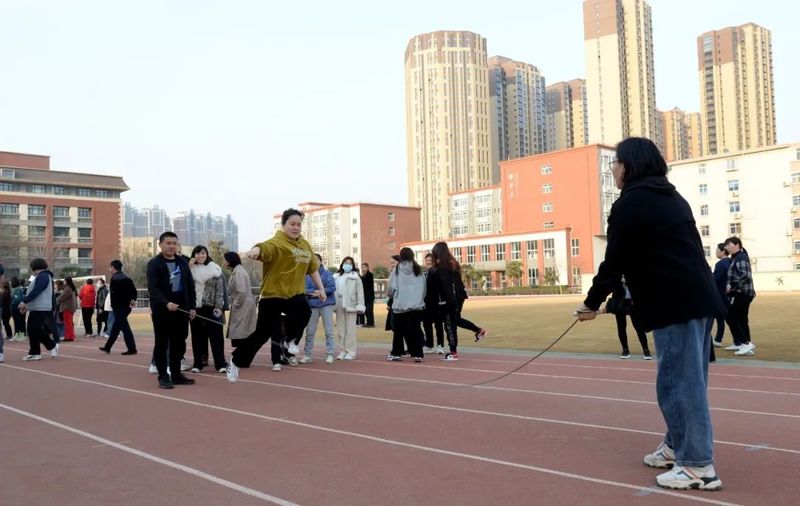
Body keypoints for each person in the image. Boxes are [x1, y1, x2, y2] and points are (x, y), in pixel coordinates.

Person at [574, 137, 725, 491]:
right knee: (688, 381)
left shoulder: (631, 204)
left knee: (678, 385)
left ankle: (697, 466)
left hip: (674, 302)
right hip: (699, 299)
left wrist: (591, 303)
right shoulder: (673, 197)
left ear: (629, 166)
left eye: (615, 163)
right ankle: (676, 446)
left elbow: (615, 261)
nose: (613, 169)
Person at [226, 208, 325, 380]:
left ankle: (290, 341)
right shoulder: (277, 243)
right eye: (292, 224)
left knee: (304, 311)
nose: (296, 228)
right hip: (273, 295)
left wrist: (321, 288)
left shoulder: (305, 245)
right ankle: (236, 360)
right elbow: (264, 248)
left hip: (294, 294)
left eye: (298, 225)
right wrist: (255, 251)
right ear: (283, 224)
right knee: (262, 334)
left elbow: (313, 268)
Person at [147, 232, 197, 389]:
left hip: (181, 310)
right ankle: (163, 376)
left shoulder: (182, 262)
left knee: (179, 343)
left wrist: (192, 306)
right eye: (168, 243)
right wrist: (166, 303)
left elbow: (190, 285)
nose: (171, 246)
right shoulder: (154, 264)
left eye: (174, 243)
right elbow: (153, 288)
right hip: (162, 310)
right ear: (160, 244)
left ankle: (176, 375)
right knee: (162, 343)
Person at [426, 242, 487, 362]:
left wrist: (450, 302)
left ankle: (453, 352)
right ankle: (479, 331)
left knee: (449, 325)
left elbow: (447, 286)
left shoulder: (443, 267)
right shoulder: (452, 264)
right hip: (457, 298)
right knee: (455, 320)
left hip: (449, 301)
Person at [188, 245, 227, 373]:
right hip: (195, 307)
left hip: (212, 307)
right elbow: (186, 287)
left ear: (207, 254)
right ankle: (198, 363)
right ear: (194, 255)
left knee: (217, 336)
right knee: (197, 337)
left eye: (203, 253)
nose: (200, 256)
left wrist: (219, 307)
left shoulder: (215, 269)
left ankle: (220, 364)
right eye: (197, 253)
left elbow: (220, 290)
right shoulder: (190, 269)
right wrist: (189, 267)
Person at [386, 248, 426, 362]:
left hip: (400, 306)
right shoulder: (418, 270)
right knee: (416, 330)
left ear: (401, 256)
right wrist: (419, 299)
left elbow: (391, 288)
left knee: (398, 332)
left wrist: (391, 295)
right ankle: (418, 354)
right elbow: (424, 288)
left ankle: (396, 353)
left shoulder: (397, 269)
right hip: (416, 306)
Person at [17, 258, 59, 361]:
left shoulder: (44, 276)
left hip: (41, 307)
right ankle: (35, 352)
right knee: (32, 330)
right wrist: (27, 306)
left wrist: (25, 301)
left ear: (34, 267)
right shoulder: (42, 276)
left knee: (35, 329)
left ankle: (50, 345)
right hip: (37, 307)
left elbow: (37, 290)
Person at [299, 254, 337, 364]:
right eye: (313, 260)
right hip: (312, 305)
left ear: (321, 261)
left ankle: (330, 354)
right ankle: (307, 355)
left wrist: (321, 291)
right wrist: (313, 292)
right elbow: (304, 288)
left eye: (317, 260)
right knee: (310, 331)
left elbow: (332, 287)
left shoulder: (328, 274)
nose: (315, 262)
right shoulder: (307, 275)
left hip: (326, 304)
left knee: (329, 331)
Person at [724, 237, 756, 357]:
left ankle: (745, 343)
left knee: (734, 317)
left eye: (729, 245)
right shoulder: (737, 257)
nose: (727, 247)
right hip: (741, 293)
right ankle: (744, 344)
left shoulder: (741, 257)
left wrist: (732, 286)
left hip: (742, 293)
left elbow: (745, 275)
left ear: (737, 245)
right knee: (740, 318)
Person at [606, 276, 652, 360]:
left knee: (639, 327)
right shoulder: (616, 275)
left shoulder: (634, 275)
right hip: (619, 303)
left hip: (633, 303)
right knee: (621, 327)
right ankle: (625, 350)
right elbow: (609, 287)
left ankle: (646, 350)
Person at [99, 261, 138, 355]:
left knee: (125, 328)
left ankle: (132, 348)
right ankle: (107, 347)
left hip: (119, 307)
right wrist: (132, 299)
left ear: (113, 268)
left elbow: (114, 294)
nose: (109, 269)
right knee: (116, 328)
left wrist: (113, 305)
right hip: (126, 306)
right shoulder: (127, 278)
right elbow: (133, 291)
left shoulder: (115, 279)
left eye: (110, 267)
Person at [223, 251, 257, 347]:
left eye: (225, 260)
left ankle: (240, 355)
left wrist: (235, 305)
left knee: (241, 335)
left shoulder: (239, 272)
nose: (224, 262)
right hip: (243, 306)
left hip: (242, 307)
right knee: (242, 334)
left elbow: (241, 291)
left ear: (230, 261)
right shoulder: (238, 270)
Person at [334, 256, 365, 360]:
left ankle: (351, 351)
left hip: (351, 304)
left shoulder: (355, 277)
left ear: (352, 266)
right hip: (339, 303)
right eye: (346, 263)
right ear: (342, 264)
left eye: (350, 263)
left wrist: (360, 304)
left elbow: (360, 292)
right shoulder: (337, 276)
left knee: (350, 330)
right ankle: (342, 351)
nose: (347, 265)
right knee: (341, 330)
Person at [422, 253, 444, 354]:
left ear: (434, 261)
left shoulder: (437, 272)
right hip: (426, 304)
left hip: (436, 303)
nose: (428, 262)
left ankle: (440, 345)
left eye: (430, 260)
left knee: (438, 325)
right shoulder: (424, 273)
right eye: (426, 260)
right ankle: (429, 345)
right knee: (427, 325)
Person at [384, 255, 400, 334]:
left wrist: (389, 302)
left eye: (394, 263)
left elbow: (391, 291)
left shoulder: (395, 273)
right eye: (391, 263)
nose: (392, 265)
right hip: (396, 301)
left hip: (397, 302)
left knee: (396, 325)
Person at [58, 277, 78, 341]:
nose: (63, 282)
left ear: (66, 281)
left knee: (67, 323)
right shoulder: (71, 288)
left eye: (64, 281)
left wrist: (56, 299)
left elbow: (62, 297)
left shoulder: (67, 289)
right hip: (71, 307)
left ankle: (69, 337)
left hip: (67, 307)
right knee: (69, 323)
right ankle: (70, 335)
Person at [357, 263, 375, 328]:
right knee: (366, 311)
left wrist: (361, 278)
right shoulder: (362, 276)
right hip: (364, 296)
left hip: (369, 296)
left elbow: (366, 282)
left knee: (369, 310)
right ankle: (368, 323)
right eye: (362, 267)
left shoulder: (370, 275)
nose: (363, 268)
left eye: (364, 267)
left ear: (367, 267)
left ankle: (371, 323)